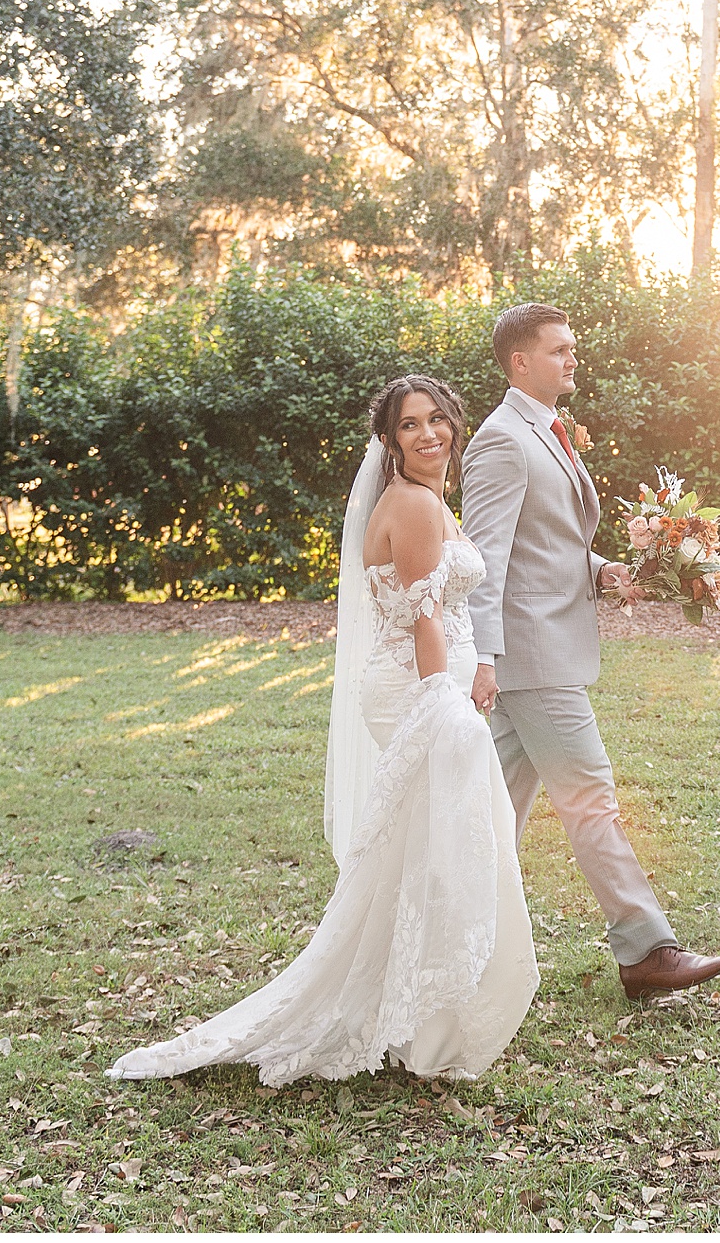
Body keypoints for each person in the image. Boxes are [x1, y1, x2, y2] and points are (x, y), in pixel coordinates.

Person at [107, 375, 536, 1085]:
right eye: (408, 426)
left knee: (425, 854)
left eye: (436, 420)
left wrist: (468, 677)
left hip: (434, 685)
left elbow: (441, 611)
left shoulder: (429, 500)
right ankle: (416, 1023)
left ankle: (419, 1017)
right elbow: (427, 616)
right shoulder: (415, 505)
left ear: (454, 424)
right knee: (435, 852)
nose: (427, 434)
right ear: (390, 440)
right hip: (419, 692)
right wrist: (442, 704)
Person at [462, 303, 720, 999]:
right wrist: (483, 656)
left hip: (540, 647)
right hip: (530, 654)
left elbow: (546, 543)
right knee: (590, 798)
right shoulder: (501, 440)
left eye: (572, 349)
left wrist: (603, 569)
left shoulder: (546, 430)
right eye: (558, 351)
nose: (572, 359)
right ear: (520, 362)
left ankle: (444, 930)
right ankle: (646, 950)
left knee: (485, 811)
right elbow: (486, 558)